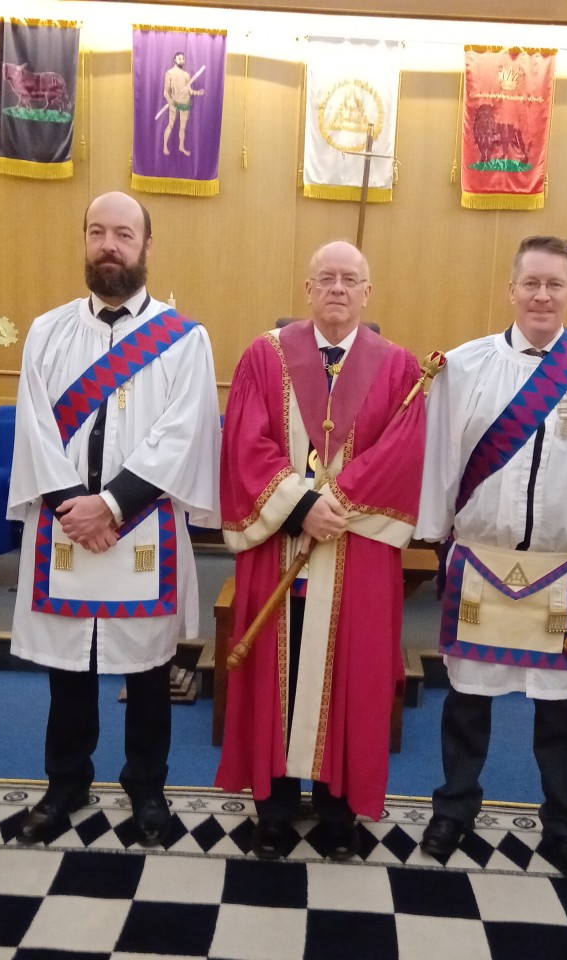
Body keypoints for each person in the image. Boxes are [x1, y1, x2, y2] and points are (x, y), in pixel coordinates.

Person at [415, 235, 567, 876]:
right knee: (466, 700)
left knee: (561, 708)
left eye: (555, 284)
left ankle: (564, 823)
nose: (542, 295)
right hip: (481, 563)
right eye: (531, 283)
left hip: (563, 567)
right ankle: (453, 808)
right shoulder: (465, 365)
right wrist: (433, 528)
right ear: (511, 289)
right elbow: (437, 455)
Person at [8, 191, 220, 847]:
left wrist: (112, 504)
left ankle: (147, 787)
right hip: (65, 523)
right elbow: (34, 428)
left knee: (148, 671)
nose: (109, 245)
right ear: (84, 240)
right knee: (69, 668)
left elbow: (184, 432)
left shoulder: (185, 339)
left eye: (124, 234)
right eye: (97, 232)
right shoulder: (47, 332)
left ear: (146, 245)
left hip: (142, 525)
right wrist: (74, 506)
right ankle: (65, 782)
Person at [216, 240, 426, 860]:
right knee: (274, 675)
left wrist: (334, 505)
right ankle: (275, 810)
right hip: (281, 545)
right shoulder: (265, 357)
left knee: (351, 678)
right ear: (307, 290)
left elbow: (402, 453)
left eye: (350, 279)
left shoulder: (399, 367)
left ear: (367, 292)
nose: (338, 288)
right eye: (326, 278)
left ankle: (339, 811)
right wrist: (300, 506)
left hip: (357, 552)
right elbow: (245, 442)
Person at [163, 52, 204, 157]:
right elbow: (165, 92)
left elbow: (189, 90)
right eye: (180, 59)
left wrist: (197, 92)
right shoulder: (169, 73)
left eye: (183, 59)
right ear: (175, 59)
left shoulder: (186, 75)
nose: (182, 61)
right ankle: (165, 146)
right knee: (171, 124)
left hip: (185, 102)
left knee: (183, 127)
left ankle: (181, 147)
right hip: (174, 103)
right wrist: (170, 101)